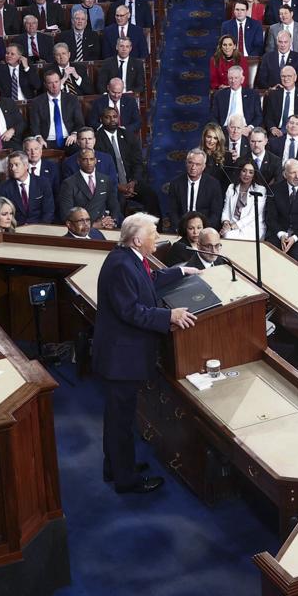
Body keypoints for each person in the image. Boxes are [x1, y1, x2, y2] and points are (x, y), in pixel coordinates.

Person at [92, 212, 198, 494]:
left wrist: (180, 272)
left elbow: (148, 281)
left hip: (122, 357)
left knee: (118, 418)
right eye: (153, 233)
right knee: (121, 420)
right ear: (138, 239)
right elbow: (131, 311)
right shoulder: (121, 266)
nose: (157, 238)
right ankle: (125, 480)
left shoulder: (129, 259)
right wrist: (169, 316)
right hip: (120, 360)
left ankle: (116, 467)